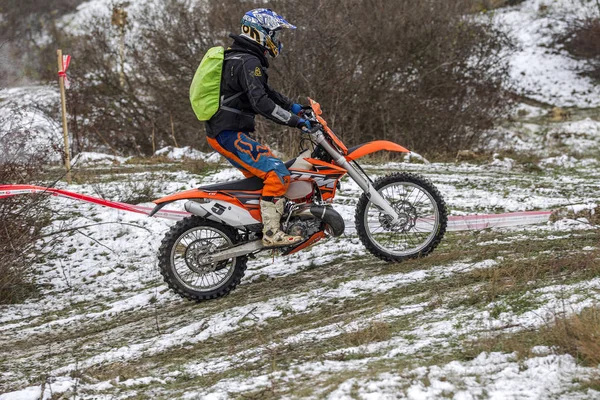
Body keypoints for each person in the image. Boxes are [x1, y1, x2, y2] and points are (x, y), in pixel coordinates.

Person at [205, 9, 310, 248]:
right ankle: (272, 233)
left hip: (226, 132)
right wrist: (296, 122)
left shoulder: (240, 57)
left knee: (262, 178)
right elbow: (261, 103)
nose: (277, 41)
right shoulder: (248, 61)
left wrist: (295, 107)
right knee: (277, 173)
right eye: (274, 35)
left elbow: (266, 93)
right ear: (260, 33)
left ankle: (258, 225)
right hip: (227, 134)